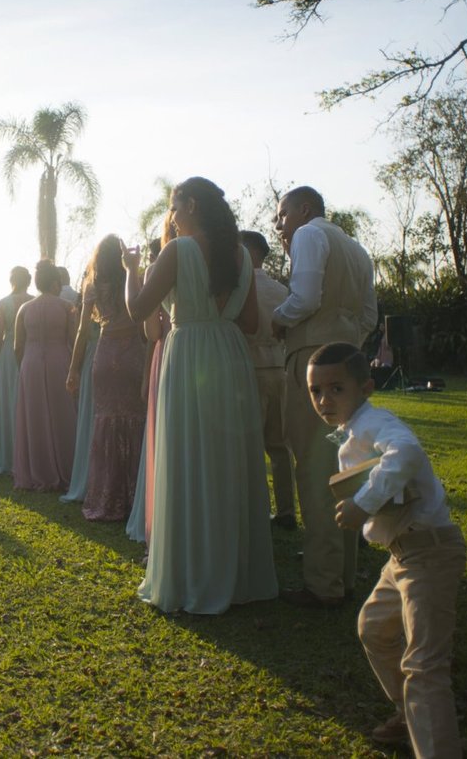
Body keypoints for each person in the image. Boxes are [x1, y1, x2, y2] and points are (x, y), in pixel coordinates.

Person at [124, 177, 278, 614]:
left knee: (188, 459)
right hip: (230, 359)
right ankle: (233, 572)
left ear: (189, 205)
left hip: (189, 354)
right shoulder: (241, 258)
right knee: (228, 461)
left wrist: (132, 272)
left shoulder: (179, 250)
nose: (171, 217)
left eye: (174, 207)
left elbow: (138, 310)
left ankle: (192, 571)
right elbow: (250, 324)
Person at [311, 341, 466, 757]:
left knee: (424, 666)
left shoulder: (375, 423)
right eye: (316, 391)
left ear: (367, 387)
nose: (325, 399)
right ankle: (407, 713)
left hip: (430, 551)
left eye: (336, 389)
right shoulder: (353, 432)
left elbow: (408, 452)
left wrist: (363, 503)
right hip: (402, 555)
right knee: (373, 628)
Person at [273, 185, 378, 608]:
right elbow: (370, 314)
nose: (279, 224)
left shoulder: (309, 235)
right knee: (346, 467)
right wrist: (348, 340)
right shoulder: (357, 250)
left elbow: (304, 298)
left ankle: (322, 583)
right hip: (350, 360)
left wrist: (278, 320)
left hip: (312, 359)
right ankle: (344, 575)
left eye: (282, 215)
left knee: (314, 469)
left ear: (304, 208)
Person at [70, 235, 147, 522]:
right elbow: (142, 317)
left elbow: (81, 332)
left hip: (103, 354)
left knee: (105, 423)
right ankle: (134, 498)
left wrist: (73, 369)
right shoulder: (131, 278)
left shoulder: (91, 285)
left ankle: (107, 497)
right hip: (131, 354)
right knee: (135, 420)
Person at [241, 230, 296, 529]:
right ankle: (286, 510)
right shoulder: (281, 290)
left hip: (250, 369)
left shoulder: (241, 288)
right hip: (279, 367)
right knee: (279, 445)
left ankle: (257, 510)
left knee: (250, 446)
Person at [13, 260, 79, 492]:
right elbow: (74, 340)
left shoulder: (24, 309)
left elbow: (17, 346)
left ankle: (37, 470)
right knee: (63, 415)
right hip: (59, 360)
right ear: (55, 283)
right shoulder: (66, 306)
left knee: (34, 416)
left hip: (29, 363)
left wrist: (24, 365)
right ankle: (67, 468)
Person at [126, 235, 171, 545]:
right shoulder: (222, 258)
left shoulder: (158, 269)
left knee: (164, 440)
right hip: (219, 352)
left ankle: (163, 518)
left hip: (169, 353)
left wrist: (132, 270)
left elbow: (152, 329)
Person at [0, 267, 32, 476]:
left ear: (11, 280)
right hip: (29, 350)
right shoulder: (33, 301)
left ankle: (7, 456)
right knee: (26, 402)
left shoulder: (4, 303)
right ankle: (27, 456)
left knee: (7, 402)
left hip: (7, 354)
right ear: (29, 281)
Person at [60, 296, 99, 504]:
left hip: (94, 357)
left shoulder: (91, 297)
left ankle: (91, 479)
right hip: (124, 352)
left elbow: (81, 334)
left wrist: (74, 369)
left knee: (90, 419)